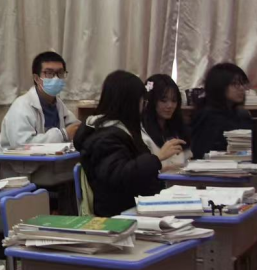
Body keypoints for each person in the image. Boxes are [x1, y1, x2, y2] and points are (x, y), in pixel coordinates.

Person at [73, 71, 184, 217]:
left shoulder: (120, 130)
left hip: (137, 204)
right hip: (121, 213)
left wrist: (157, 169)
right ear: (129, 102)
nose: (143, 106)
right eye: (141, 100)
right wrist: (157, 159)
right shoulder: (106, 138)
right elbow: (119, 176)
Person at [0, 51, 81, 147]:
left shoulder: (59, 105)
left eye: (60, 73)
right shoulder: (21, 107)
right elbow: (22, 145)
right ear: (36, 78)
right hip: (19, 157)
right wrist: (63, 135)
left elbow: (75, 128)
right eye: (49, 73)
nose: (56, 78)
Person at [190, 63, 253, 160]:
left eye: (242, 83)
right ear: (219, 86)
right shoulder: (208, 117)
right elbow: (202, 153)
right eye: (235, 84)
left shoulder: (241, 114)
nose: (241, 88)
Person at [141, 74, 192, 170]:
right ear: (151, 101)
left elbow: (189, 160)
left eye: (174, 100)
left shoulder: (178, 129)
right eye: (163, 100)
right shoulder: (142, 133)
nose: (170, 105)